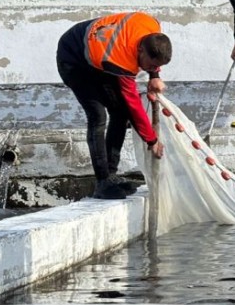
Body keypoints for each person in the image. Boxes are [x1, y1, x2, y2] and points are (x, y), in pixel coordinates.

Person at [56, 12, 171, 200]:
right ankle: (102, 182)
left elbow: (154, 54)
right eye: (148, 65)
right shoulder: (120, 59)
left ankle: (111, 175)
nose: (146, 69)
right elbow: (132, 103)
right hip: (73, 59)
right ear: (140, 50)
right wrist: (151, 140)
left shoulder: (151, 26)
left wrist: (155, 76)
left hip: (100, 55)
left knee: (119, 113)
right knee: (98, 116)